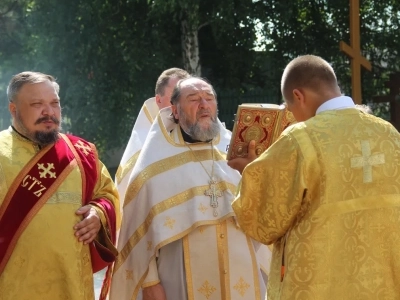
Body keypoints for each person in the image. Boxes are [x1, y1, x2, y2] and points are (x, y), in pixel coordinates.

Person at [230, 55, 400, 299]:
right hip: (385, 285)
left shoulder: (300, 139)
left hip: (323, 287)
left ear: (298, 96)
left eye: (290, 109)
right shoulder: (389, 133)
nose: (293, 116)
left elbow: (263, 223)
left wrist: (250, 172)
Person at [109, 77, 271, 300]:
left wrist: (254, 174)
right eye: (194, 99)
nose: (204, 105)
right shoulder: (153, 163)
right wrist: (150, 282)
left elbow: (264, 215)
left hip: (241, 273)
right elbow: (138, 229)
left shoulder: (235, 152)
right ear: (175, 110)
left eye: (209, 98)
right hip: (179, 278)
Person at [0, 71, 120, 300]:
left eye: (54, 103)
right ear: (13, 109)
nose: (49, 112)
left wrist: (98, 213)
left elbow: (107, 194)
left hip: (72, 285)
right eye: (37, 104)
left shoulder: (81, 153)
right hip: (13, 287)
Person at [115, 68, 190, 204]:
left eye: (188, 97)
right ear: (158, 100)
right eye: (175, 98)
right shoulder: (143, 148)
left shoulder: (206, 137)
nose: (182, 105)